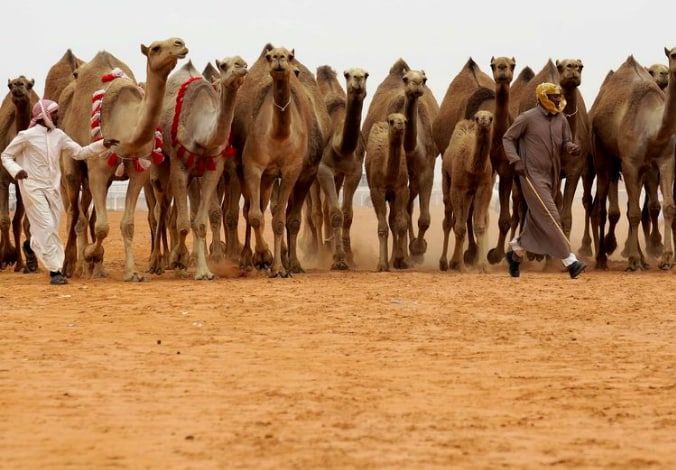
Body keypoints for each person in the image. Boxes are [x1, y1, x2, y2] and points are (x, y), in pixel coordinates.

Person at [1, 99, 117, 285]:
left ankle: (32, 245)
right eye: (54, 113)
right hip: (32, 186)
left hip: (52, 188)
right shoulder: (26, 135)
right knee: (47, 226)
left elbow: (79, 152)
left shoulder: (59, 136)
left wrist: (102, 144)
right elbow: (6, 155)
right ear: (43, 115)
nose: (57, 116)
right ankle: (56, 271)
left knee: (51, 227)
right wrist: (16, 170)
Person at [502, 82, 586, 279]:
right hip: (531, 175)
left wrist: (571, 147)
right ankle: (570, 261)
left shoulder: (562, 119)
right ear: (542, 97)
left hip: (553, 175)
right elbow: (507, 138)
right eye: (554, 96)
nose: (558, 99)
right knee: (551, 214)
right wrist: (515, 161)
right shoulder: (527, 118)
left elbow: (565, 141)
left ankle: (515, 253)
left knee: (536, 219)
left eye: (558, 96)